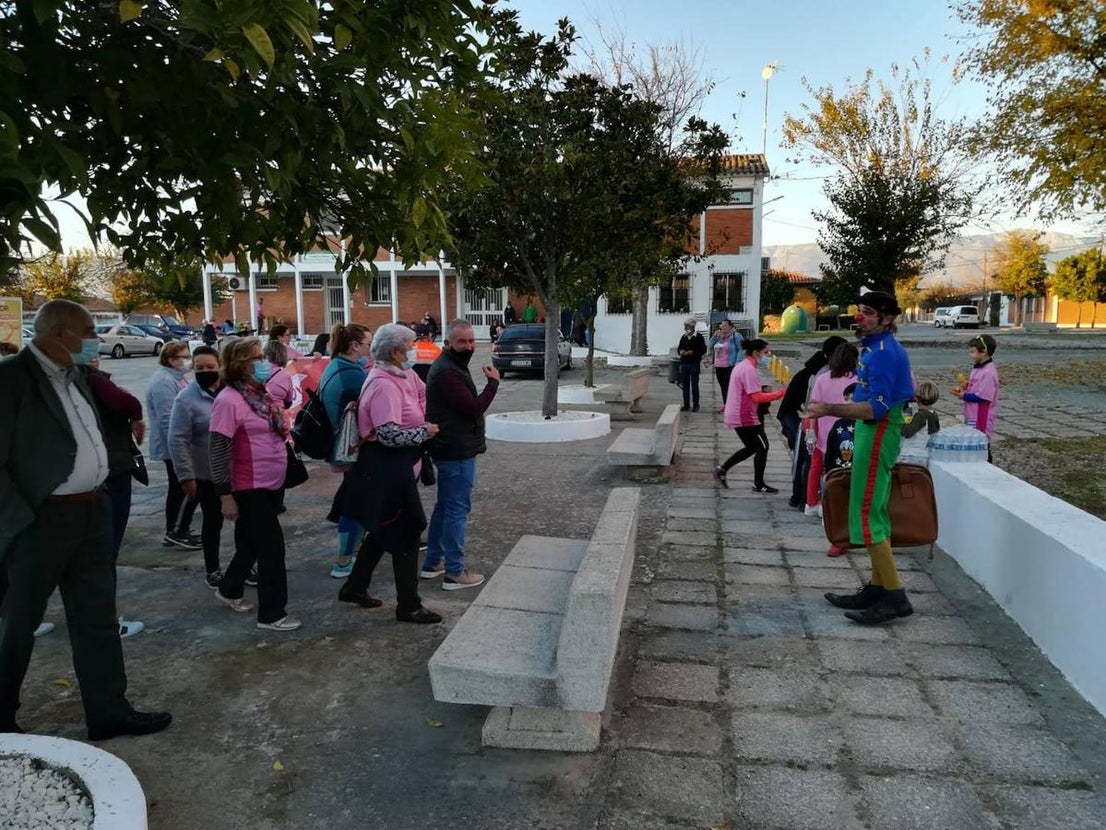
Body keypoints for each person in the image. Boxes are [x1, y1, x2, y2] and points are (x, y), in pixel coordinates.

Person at [0, 299, 172, 738]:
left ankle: (108, 711)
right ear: (59, 333)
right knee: (17, 622)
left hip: (92, 511)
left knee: (97, 616)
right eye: (90, 330)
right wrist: (19, 520)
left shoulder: (76, 375)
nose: (97, 339)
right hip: (40, 521)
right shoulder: (11, 379)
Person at [807, 291, 916, 625]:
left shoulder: (884, 354)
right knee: (871, 510)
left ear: (887, 318)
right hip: (870, 431)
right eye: (859, 310)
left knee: (867, 511)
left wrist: (829, 408)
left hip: (878, 429)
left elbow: (875, 409)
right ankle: (878, 587)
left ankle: (895, 596)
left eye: (867, 312)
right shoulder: (873, 348)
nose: (859, 317)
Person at [339, 324, 442, 623]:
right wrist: (424, 432)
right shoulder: (383, 384)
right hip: (385, 468)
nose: (414, 350)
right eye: (410, 346)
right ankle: (409, 605)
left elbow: (421, 392)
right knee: (407, 532)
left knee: (384, 528)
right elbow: (389, 435)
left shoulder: (401, 374)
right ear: (395, 352)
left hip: (397, 467)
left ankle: (355, 586)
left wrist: (420, 415)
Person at [209, 338, 300, 631]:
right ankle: (272, 614)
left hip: (271, 480)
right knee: (271, 548)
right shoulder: (228, 401)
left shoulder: (260, 394)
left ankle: (229, 587)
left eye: (262, 357)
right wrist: (225, 495)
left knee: (252, 541)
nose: (264, 363)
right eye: (256, 358)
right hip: (248, 485)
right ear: (239, 364)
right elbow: (218, 449)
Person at [419, 320, 498, 589]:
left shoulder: (452, 366)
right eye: (462, 342)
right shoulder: (447, 372)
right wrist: (493, 384)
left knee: (445, 506)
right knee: (456, 510)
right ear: (448, 343)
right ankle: (455, 571)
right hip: (455, 449)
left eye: (471, 341)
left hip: (451, 446)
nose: (469, 346)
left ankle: (433, 562)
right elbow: (472, 408)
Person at [84, 358, 148, 638]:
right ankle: (105, 622)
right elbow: (128, 403)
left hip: (83, 473)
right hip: (106, 472)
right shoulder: (87, 379)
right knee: (104, 549)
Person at [169, 346, 226, 589]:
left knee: (245, 521)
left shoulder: (230, 391)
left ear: (220, 367)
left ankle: (244, 566)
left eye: (210, 367)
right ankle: (213, 569)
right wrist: (186, 475)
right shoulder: (186, 398)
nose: (204, 371)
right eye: (199, 368)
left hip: (235, 471)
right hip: (206, 473)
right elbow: (177, 439)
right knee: (212, 522)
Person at [319, 323, 373, 578]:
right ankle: (343, 560)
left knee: (356, 499)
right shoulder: (353, 377)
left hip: (344, 446)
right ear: (354, 346)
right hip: (353, 449)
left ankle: (353, 549)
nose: (370, 349)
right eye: (368, 344)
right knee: (355, 504)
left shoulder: (338, 366)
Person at [146, 341, 200, 550]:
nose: (188, 361)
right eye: (184, 357)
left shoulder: (177, 378)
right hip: (175, 445)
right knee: (181, 488)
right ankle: (175, 531)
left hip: (185, 442)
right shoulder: (163, 381)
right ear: (171, 359)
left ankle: (180, 528)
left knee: (184, 488)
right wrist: (182, 446)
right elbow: (168, 418)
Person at [714, 338, 787, 493]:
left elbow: (748, 391)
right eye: (766, 352)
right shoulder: (748, 370)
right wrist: (781, 393)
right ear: (755, 353)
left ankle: (722, 469)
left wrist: (762, 389)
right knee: (763, 447)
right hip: (744, 415)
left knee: (752, 447)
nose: (768, 355)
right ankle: (758, 484)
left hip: (738, 413)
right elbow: (756, 397)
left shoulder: (743, 366)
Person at [805, 342, 858, 516]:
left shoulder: (822, 379)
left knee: (818, 468)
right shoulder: (856, 381)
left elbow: (813, 409)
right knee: (842, 471)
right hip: (847, 434)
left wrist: (811, 432)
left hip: (823, 433)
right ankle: (833, 503)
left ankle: (813, 502)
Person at [823, 382, 858, 557]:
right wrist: (828, 472)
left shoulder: (867, 424)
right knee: (839, 508)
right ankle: (839, 541)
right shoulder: (838, 425)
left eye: (850, 399)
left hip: (860, 473)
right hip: (839, 472)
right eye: (845, 399)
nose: (847, 403)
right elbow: (830, 450)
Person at [954, 334, 1000, 461]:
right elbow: (976, 386)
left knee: (981, 442)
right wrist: (966, 386)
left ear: (984, 352)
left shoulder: (989, 372)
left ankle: (987, 464)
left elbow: (983, 397)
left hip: (981, 417)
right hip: (971, 414)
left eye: (972, 352)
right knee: (972, 441)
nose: (971, 355)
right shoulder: (978, 367)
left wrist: (964, 395)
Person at [899, 381, 941, 465]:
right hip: (924, 454)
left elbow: (907, 432)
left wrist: (899, 422)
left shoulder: (920, 415)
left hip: (910, 454)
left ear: (917, 399)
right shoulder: (933, 414)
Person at [676, 319, 707, 412]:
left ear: (692, 327)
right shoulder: (684, 337)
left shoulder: (699, 337)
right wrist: (681, 351)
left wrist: (693, 352)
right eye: (685, 326)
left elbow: (703, 349)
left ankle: (696, 404)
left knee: (694, 384)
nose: (686, 328)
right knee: (685, 385)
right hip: (684, 363)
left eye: (687, 326)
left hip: (694, 363)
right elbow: (679, 348)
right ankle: (686, 404)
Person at [709, 320, 740, 412]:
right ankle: (726, 404)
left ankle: (730, 405)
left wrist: (737, 362)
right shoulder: (718, 336)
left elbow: (741, 349)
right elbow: (710, 345)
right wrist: (714, 337)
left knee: (728, 385)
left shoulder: (735, 336)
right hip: (719, 364)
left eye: (725, 325)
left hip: (729, 364)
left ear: (730, 326)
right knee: (723, 386)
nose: (723, 327)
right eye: (721, 325)